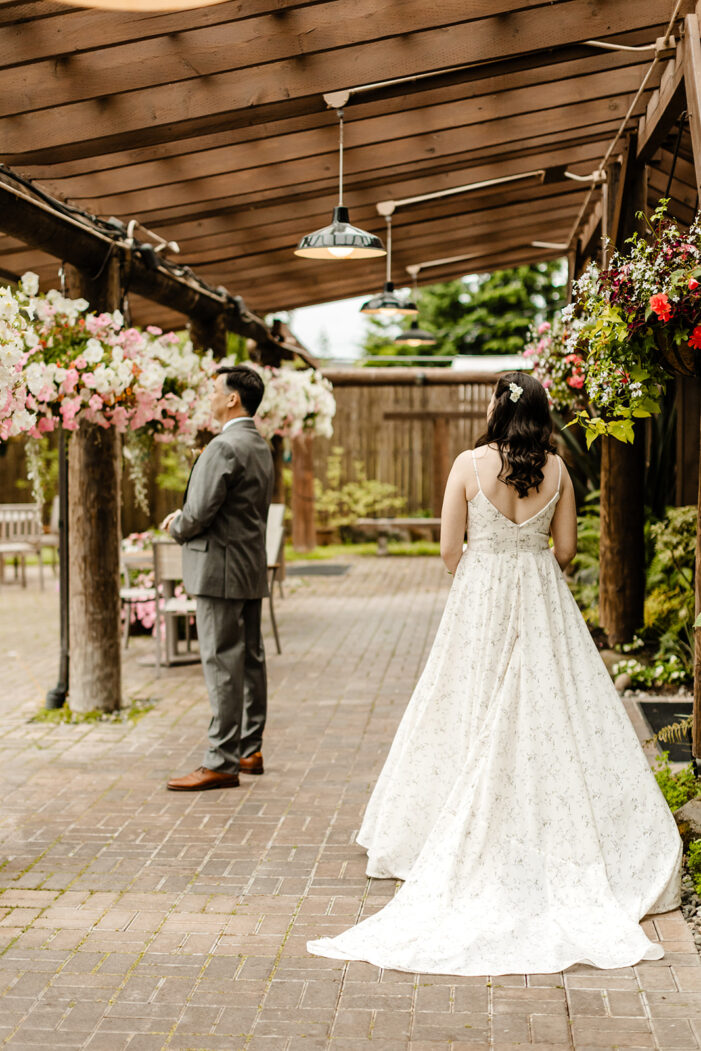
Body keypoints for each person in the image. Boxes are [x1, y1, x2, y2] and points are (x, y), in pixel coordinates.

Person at [308, 371, 681, 976]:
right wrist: (526, 555)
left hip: (480, 597)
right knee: (550, 705)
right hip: (539, 596)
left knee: (467, 701)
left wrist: (485, 567)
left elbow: (449, 552)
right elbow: (565, 552)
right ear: (540, 413)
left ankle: (455, 826)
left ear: (495, 409)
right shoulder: (558, 470)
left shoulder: (466, 465)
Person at [163, 365, 274, 792]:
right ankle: (250, 749)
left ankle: (221, 761)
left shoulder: (223, 446)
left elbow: (200, 512)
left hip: (218, 570)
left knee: (221, 662)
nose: (209, 396)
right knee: (248, 659)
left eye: (214, 390)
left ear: (233, 398)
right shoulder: (258, 444)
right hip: (247, 566)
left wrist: (176, 525)